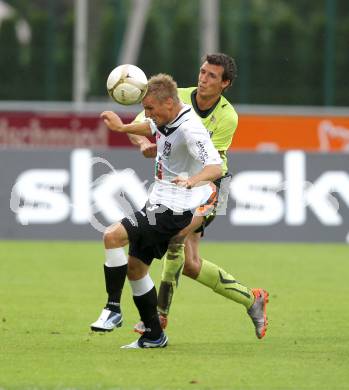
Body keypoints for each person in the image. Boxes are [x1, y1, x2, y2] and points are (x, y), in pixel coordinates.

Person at [130, 53, 269, 340]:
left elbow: (205, 159)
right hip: (179, 185)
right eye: (203, 72)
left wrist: (158, 147)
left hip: (213, 184)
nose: (203, 79)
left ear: (225, 84)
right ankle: (251, 298)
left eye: (212, 76)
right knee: (191, 264)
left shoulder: (227, 116)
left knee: (176, 234)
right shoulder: (175, 96)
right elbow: (139, 123)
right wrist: (144, 141)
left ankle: (159, 314)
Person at [90, 73, 223, 348]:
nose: (147, 114)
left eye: (150, 108)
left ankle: (113, 308)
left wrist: (192, 180)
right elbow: (152, 127)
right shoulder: (167, 118)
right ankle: (153, 335)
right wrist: (124, 129)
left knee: (112, 236)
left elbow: (215, 167)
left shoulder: (190, 128)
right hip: (158, 202)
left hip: (175, 209)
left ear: (169, 104)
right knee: (136, 268)